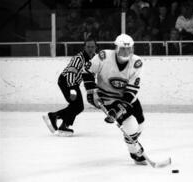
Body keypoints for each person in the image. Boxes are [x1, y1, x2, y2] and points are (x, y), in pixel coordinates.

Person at [82, 33, 146, 165]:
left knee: (141, 124)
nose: (126, 52)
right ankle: (134, 152)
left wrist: (121, 107)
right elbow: (87, 70)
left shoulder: (137, 62)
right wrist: (91, 91)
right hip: (107, 97)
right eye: (123, 48)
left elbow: (133, 89)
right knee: (131, 126)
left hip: (127, 97)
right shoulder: (104, 56)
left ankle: (132, 139)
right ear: (116, 48)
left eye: (129, 49)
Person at [42, 38, 97, 136]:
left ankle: (55, 117)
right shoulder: (79, 58)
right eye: (88, 46)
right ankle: (61, 123)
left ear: (95, 47)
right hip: (66, 81)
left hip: (74, 83)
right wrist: (72, 89)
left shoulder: (94, 59)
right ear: (84, 47)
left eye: (92, 47)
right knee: (77, 105)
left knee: (77, 106)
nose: (90, 49)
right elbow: (71, 72)